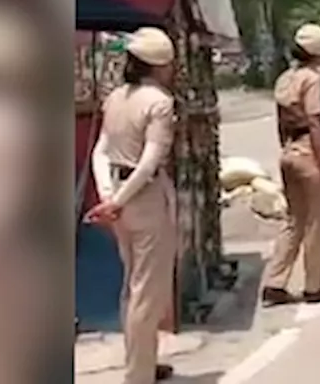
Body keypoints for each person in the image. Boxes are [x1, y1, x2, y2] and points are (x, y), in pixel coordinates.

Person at [86, 27, 180, 384]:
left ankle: (143, 363)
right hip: (145, 199)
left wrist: (108, 195)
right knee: (147, 293)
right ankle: (138, 374)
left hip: (119, 200)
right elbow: (150, 161)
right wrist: (119, 200)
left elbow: (101, 151)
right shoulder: (159, 103)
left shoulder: (116, 98)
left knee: (132, 285)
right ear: (161, 64)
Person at [260, 23, 320, 306]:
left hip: (289, 152)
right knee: (317, 222)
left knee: (293, 221)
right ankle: (314, 286)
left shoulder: (285, 78)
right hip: (308, 152)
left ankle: (275, 282)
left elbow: (281, 120)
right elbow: (314, 121)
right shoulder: (311, 80)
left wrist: (286, 149)